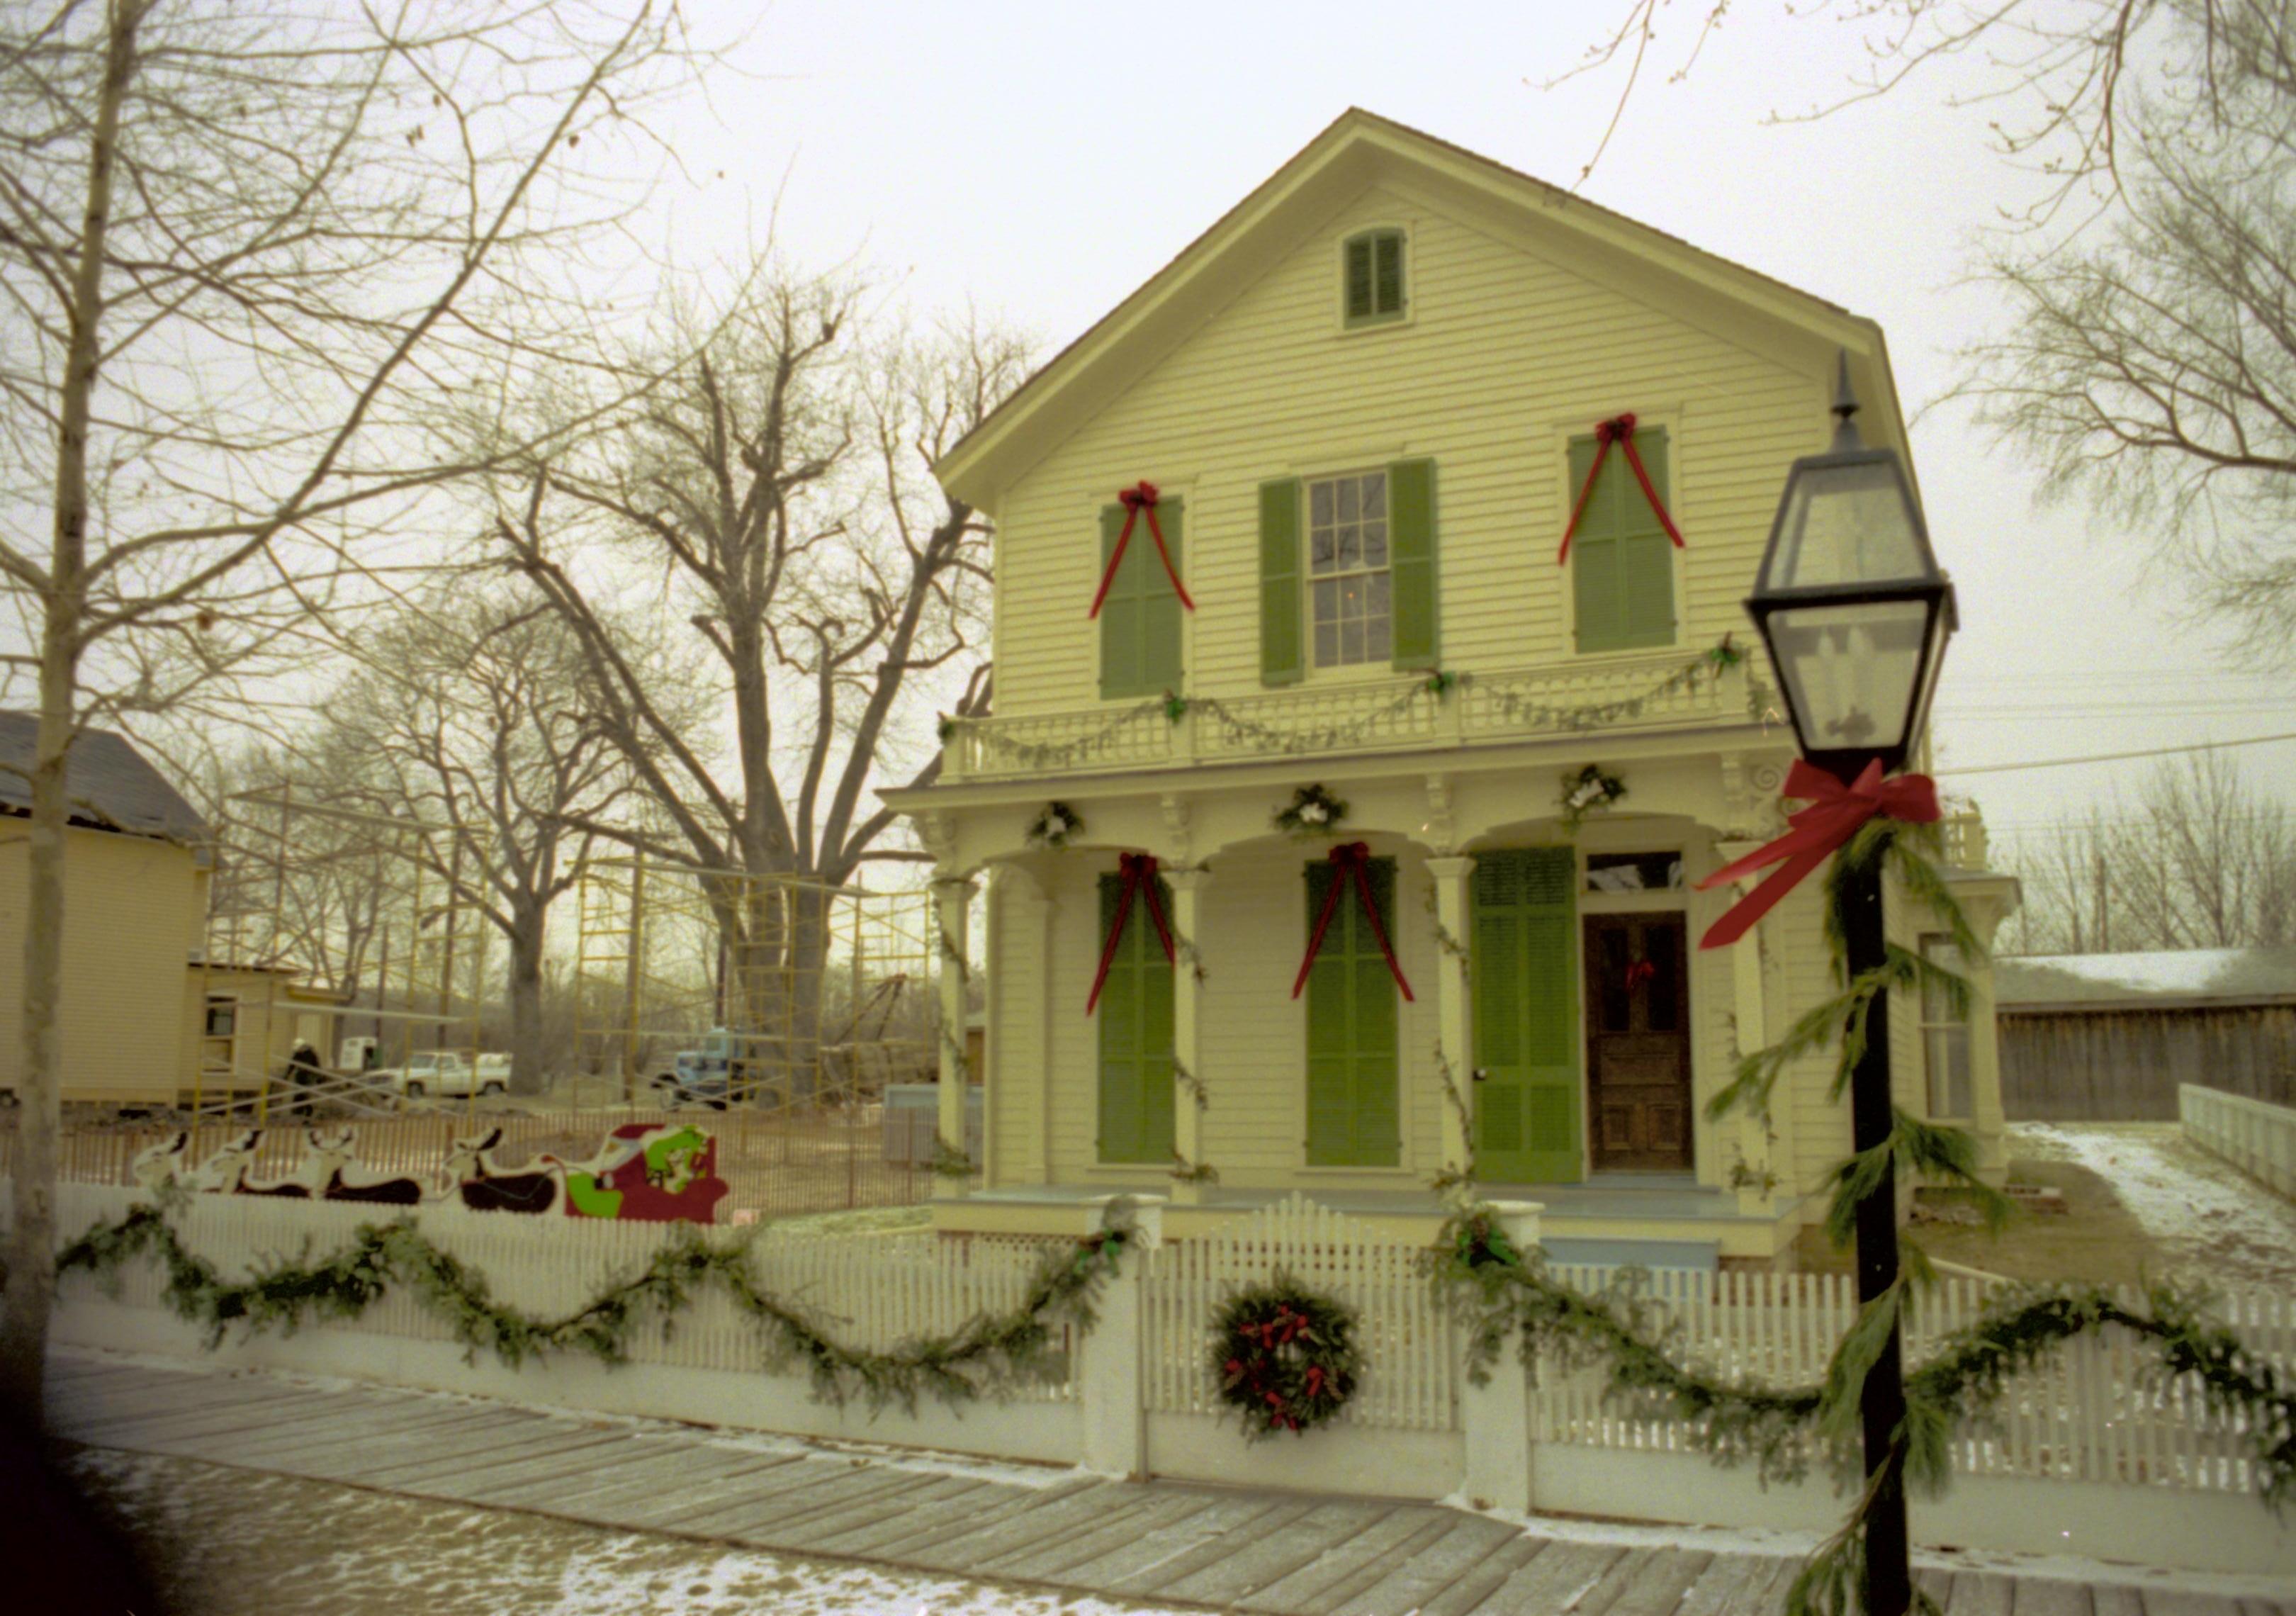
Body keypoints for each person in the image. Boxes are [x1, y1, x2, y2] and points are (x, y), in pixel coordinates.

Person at [284, 1042, 324, 1119]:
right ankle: (299, 1112)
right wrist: (287, 1075)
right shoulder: (298, 1054)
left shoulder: (311, 1054)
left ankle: (307, 1112)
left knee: (306, 1095)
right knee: (299, 1094)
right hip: (301, 1076)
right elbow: (292, 1065)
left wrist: (319, 1077)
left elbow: (316, 1066)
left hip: (309, 1076)